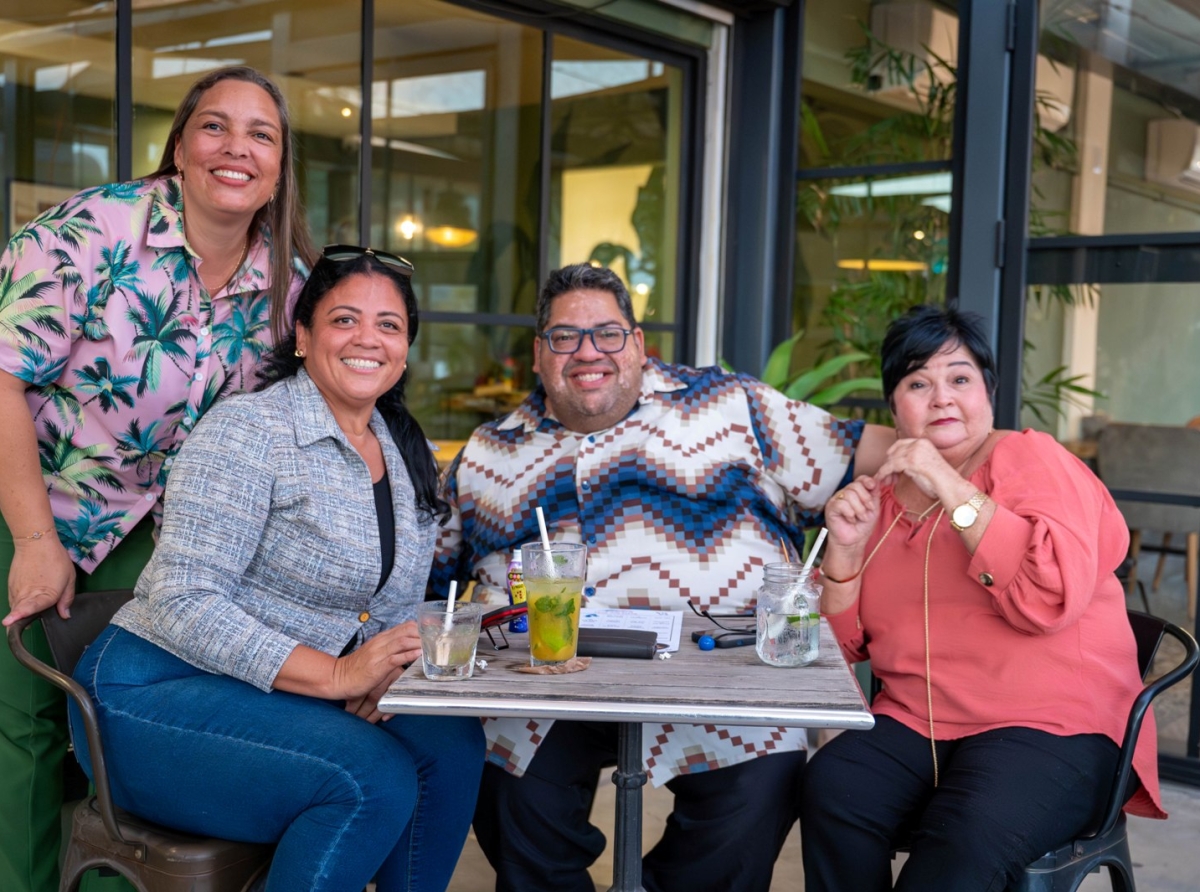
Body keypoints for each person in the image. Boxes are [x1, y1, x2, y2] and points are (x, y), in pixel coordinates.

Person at [431, 262, 894, 892]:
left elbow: (881, 456)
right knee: (510, 787)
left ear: (639, 344)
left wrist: (987, 459)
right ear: (540, 355)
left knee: (759, 779)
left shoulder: (733, 406)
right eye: (565, 337)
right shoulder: (488, 452)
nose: (588, 351)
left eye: (608, 333)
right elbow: (434, 577)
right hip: (543, 680)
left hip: (724, 670)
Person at [69, 246, 484, 891]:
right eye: (345, 319)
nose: (367, 339)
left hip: (276, 699)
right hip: (152, 696)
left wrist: (389, 672)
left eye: (389, 325)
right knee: (369, 777)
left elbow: (393, 608)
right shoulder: (248, 430)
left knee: (450, 748)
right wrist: (341, 674)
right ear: (304, 335)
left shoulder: (404, 453)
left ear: (405, 350)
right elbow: (182, 602)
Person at [0, 65, 317, 892]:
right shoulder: (92, 230)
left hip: (165, 539)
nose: (236, 148)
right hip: (36, 501)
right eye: (215, 126)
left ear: (281, 168)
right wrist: (35, 540)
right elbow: (0, 374)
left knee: (127, 729)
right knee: (27, 735)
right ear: (179, 145)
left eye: (262, 134)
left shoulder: (288, 286)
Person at [798, 305, 1164, 892]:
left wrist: (947, 482)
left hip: (1054, 726)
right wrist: (843, 554)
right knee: (833, 788)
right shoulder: (885, 500)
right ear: (895, 408)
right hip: (919, 720)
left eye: (959, 378)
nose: (941, 398)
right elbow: (837, 657)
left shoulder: (1033, 459)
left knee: (963, 834)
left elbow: (1048, 599)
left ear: (988, 392)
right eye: (918, 383)